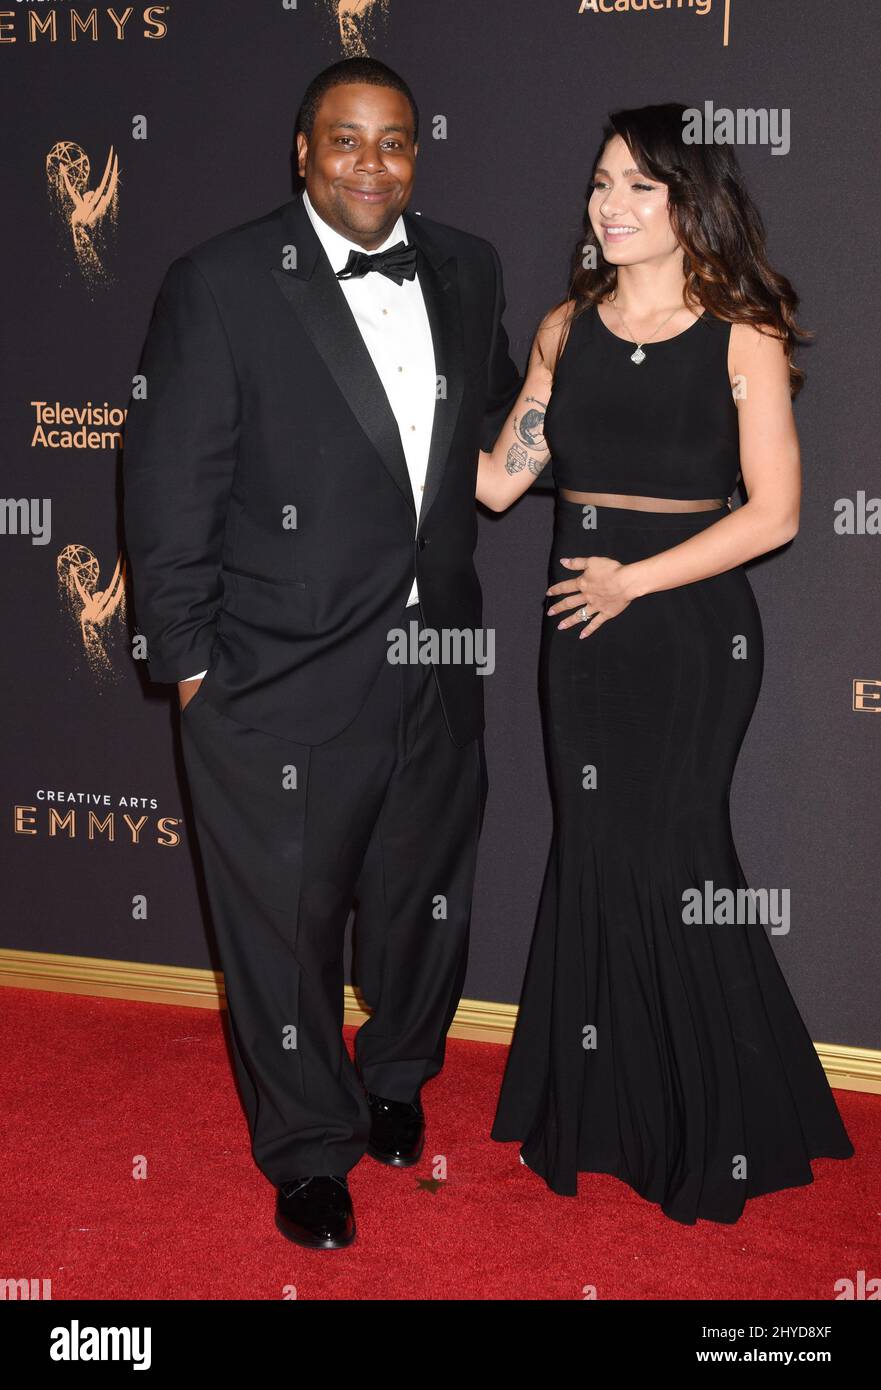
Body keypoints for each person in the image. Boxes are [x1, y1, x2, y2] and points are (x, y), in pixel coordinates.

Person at [123, 56, 522, 1249]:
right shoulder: (221, 282)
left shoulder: (464, 264)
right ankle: (307, 1146)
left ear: (418, 150)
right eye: (344, 141)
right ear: (302, 150)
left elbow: (496, 421)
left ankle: (395, 1072)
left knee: (422, 895)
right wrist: (187, 667)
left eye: (393, 141)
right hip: (274, 673)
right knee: (283, 925)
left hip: (437, 653)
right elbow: (165, 487)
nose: (371, 164)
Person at [478, 104, 854, 1224]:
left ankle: (711, 1124)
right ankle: (601, 1112)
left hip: (685, 631)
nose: (611, 203)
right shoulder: (562, 328)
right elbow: (500, 482)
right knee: (593, 852)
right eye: (601, 182)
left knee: (676, 856)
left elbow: (775, 514)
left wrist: (632, 581)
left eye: (640, 185)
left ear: (690, 200)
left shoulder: (740, 329)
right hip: (572, 629)